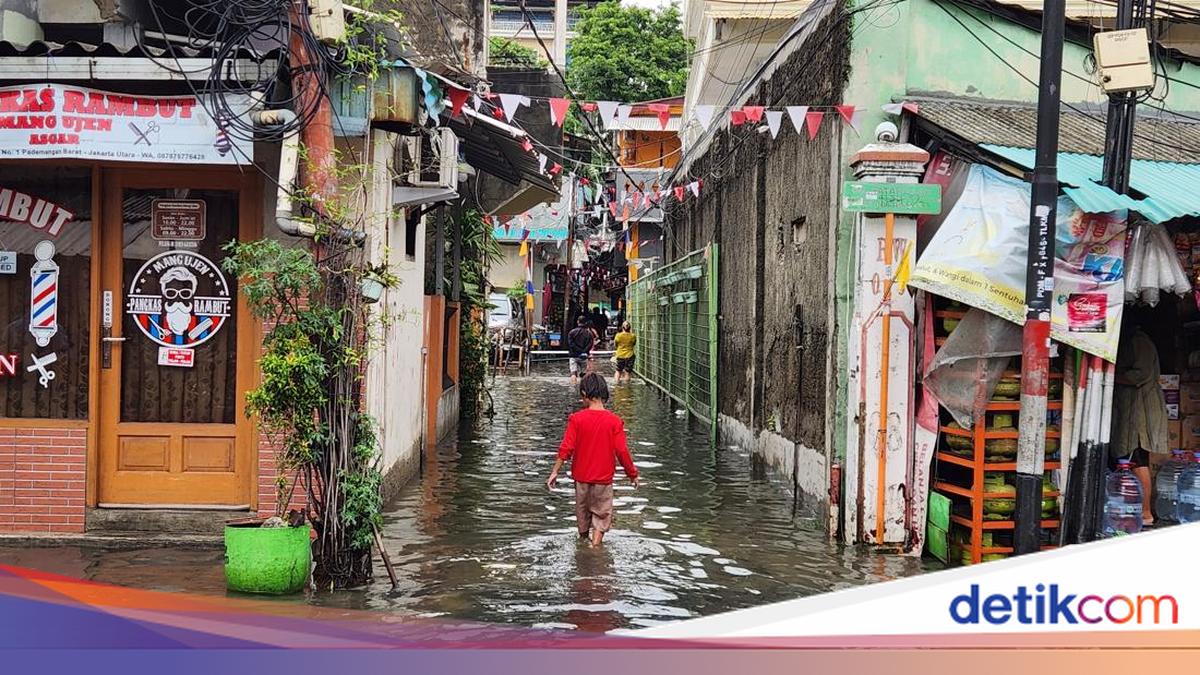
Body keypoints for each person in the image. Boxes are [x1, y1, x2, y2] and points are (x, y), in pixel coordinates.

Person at [547, 373, 639, 547]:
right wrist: (632, 474)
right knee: (602, 515)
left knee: (582, 513)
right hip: (603, 480)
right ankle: (595, 548)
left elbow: (566, 447)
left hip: (581, 478)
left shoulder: (576, 419)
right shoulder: (614, 422)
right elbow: (622, 451)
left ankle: (582, 543)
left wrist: (555, 472)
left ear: (584, 393)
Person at [1110, 315, 1169, 525]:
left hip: (1140, 411)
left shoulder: (1139, 341)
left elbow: (1140, 375)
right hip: (1128, 410)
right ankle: (1133, 510)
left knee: (1137, 460)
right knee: (1129, 458)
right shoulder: (1129, 341)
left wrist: (1110, 374)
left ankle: (1145, 513)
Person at [566, 316, 595, 384]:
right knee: (584, 374)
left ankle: (573, 386)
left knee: (573, 373)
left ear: (578, 322)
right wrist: (583, 351)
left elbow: (571, 344)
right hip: (584, 357)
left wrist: (578, 351)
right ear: (585, 323)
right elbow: (590, 344)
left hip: (573, 356)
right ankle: (583, 387)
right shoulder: (589, 333)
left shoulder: (572, 332)